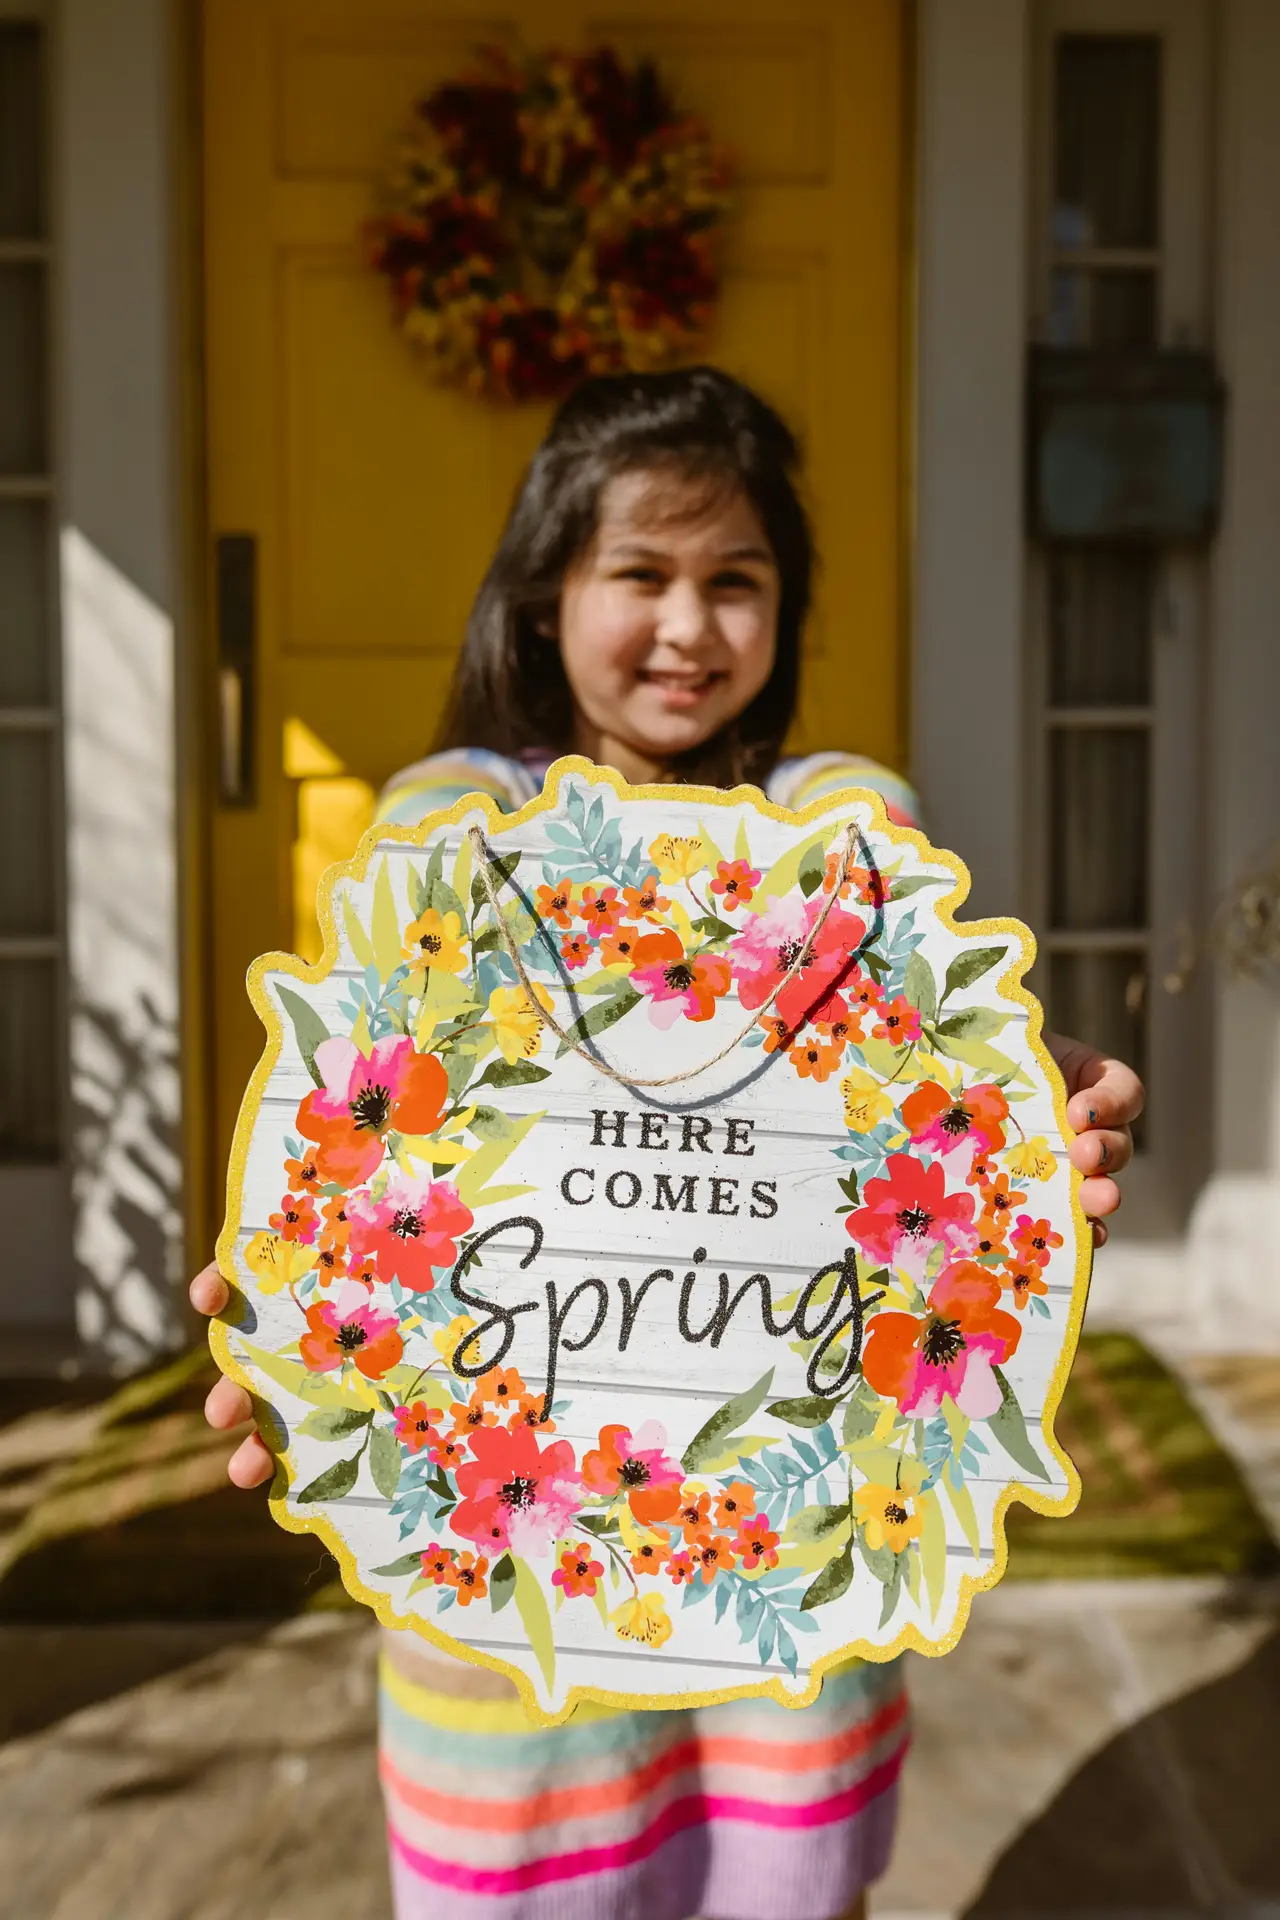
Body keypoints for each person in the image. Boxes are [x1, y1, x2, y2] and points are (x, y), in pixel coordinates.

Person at [191, 367, 1143, 1920]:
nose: (690, 629)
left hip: (787, 1635)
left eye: (737, 581)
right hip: (512, 1666)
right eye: (639, 573)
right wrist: (309, 1299)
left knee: (790, 1882)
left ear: (787, 612)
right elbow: (380, 1072)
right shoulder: (451, 825)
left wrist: (1025, 1120)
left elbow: (892, 970)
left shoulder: (836, 823)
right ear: (544, 592)